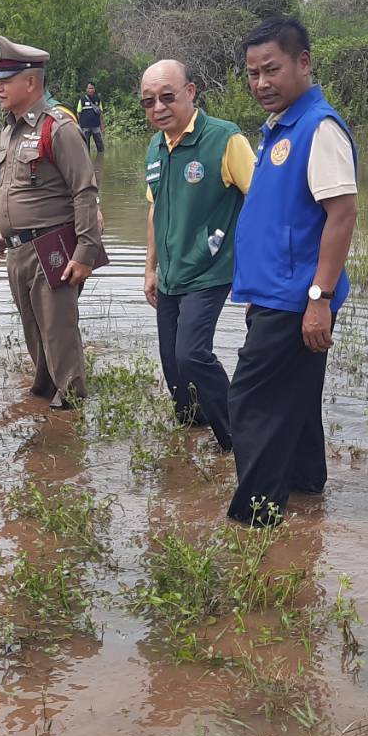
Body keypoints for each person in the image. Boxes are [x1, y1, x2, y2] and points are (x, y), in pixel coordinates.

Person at [225, 16, 358, 525]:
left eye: (272, 70)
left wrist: (319, 297)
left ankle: (255, 517)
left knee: (250, 403)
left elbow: (341, 213)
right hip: (278, 293)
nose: (261, 83)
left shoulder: (318, 128)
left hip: (296, 297)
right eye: (253, 73)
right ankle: (305, 487)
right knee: (297, 396)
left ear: (304, 62)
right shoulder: (281, 127)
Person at [139, 60, 255, 452]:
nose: (158, 108)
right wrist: (150, 267)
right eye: (148, 101)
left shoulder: (225, 139)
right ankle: (191, 434)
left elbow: (260, 202)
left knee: (191, 355)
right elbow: (155, 210)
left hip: (210, 268)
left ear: (191, 92)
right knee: (172, 363)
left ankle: (238, 439)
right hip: (171, 273)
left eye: (167, 97)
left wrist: (258, 273)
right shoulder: (156, 147)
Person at [0, 35, 104, 409]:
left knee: (59, 337)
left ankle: (71, 415)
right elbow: (24, 190)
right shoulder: (10, 129)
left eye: (6, 80)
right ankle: (43, 404)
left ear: (31, 82)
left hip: (52, 250)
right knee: (34, 336)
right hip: (19, 251)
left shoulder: (60, 127)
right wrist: (6, 233)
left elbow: (84, 192)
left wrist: (85, 252)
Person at [76, 81, 105, 155]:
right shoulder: (82, 100)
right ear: (86, 89)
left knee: (100, 147)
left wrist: (102, 126)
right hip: (85, 127)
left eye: (92, 88)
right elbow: (78, 113)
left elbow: (100, 114)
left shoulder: (98, 99)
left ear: (94, 89)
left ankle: (100, 161)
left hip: (96, 126)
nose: (91, 90)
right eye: (89, 88)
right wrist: (78, 126)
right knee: (86, 148)